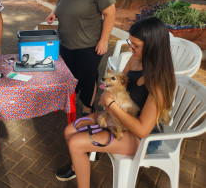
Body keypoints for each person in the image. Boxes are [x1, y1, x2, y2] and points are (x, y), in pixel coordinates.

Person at [55, 17, 176, 188]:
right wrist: (108, 91)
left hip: (144, 139)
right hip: (121, 115)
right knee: (69, 130)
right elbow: (118, 82)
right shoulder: (135, 59)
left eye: (136, 46)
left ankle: (80, 168)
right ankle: (78, 165)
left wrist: (111, 106)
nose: (131, 49)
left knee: (76, 142)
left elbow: (142, 129)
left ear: (152, 47)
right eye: (130, 43)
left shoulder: (158, 83)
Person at [46, 0, 116, 114]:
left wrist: (104, 40)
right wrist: (54, 13)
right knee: (69, 76)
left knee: (87, 78)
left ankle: (87, 108)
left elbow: (110, 14)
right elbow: (60, 4)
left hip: (88, 45)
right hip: (65, 43)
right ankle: (70, 101)